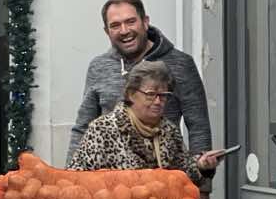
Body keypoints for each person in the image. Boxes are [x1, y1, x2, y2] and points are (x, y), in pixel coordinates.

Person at [70, 0, 210, 159]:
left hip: (163, 174)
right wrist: (70, 178)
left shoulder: (180, 64)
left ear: (145, 22)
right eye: (115, 25)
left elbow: (198, 127)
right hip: (109, 178)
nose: (124, 30)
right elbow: (82, 127)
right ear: (107, 31)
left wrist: (201, 178)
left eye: (130, 22)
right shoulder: (98, 67)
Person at [67, 60, 221, 189]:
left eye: (163, 95)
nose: (158, 101)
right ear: (131, 94)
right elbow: (77, 180)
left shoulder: (169, 131)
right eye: (150, 94)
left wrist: (201, 165)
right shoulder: (102, 129)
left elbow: (183, 175)